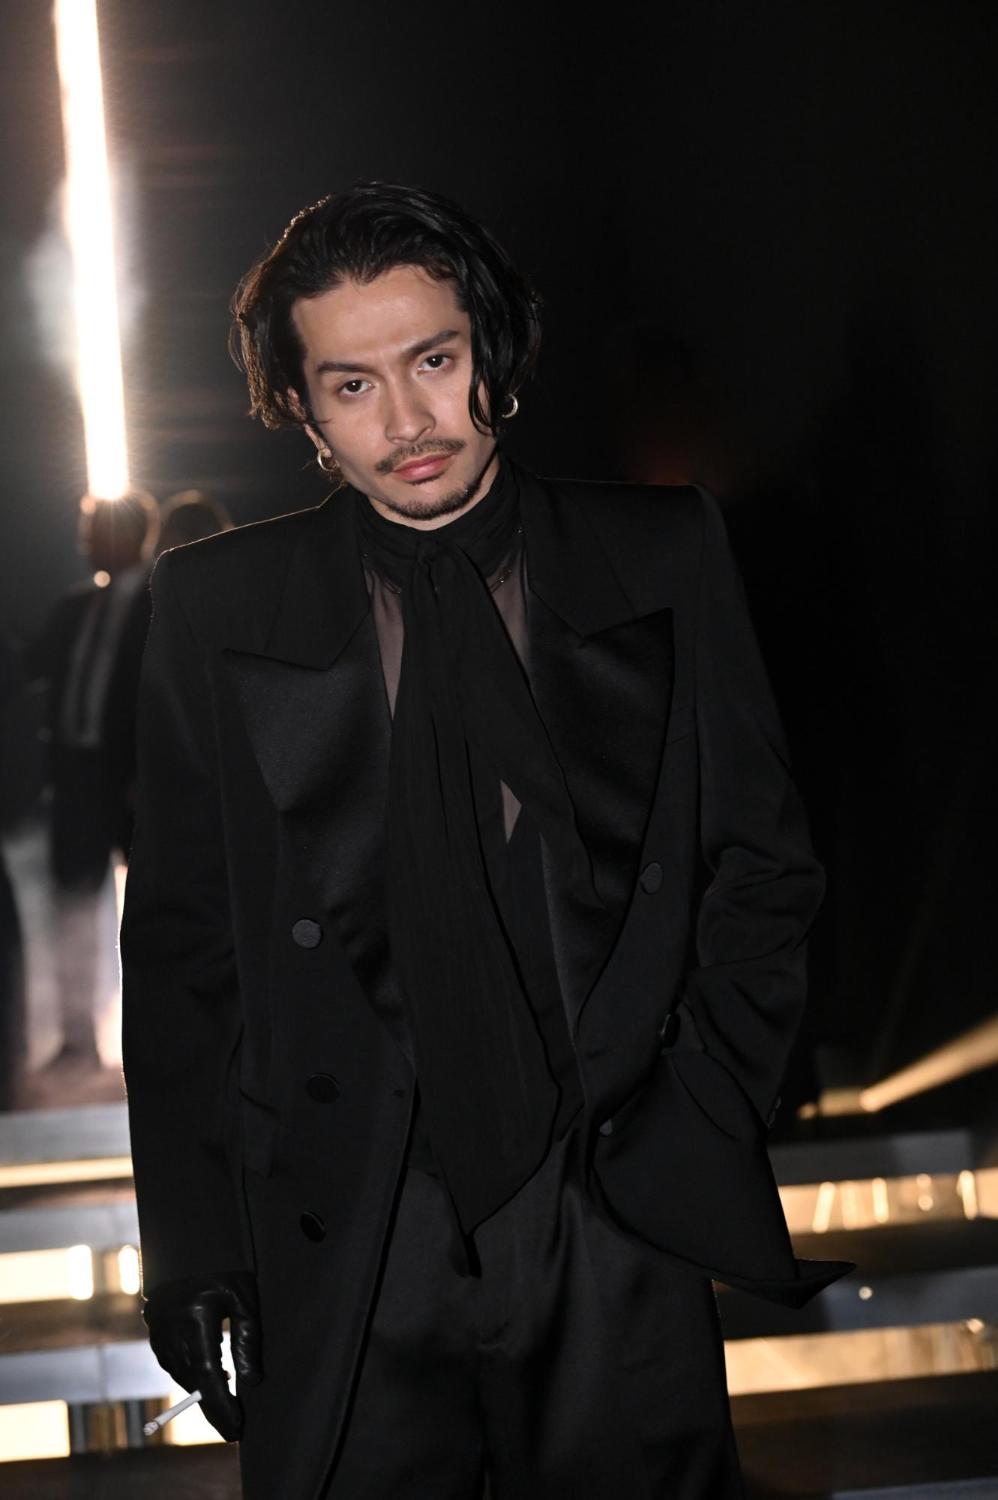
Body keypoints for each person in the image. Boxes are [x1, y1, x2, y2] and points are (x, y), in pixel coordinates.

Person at [122, 183, 849, 1499]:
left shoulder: (660, 549)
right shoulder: (214, 605)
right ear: (300, 408)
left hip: (605, 1204)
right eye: (351, 385)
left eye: (433, 361)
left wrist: (695, 1108)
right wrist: (192, 1243)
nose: (406, 421)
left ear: (490, 352)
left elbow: (761, 863)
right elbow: (181, 948)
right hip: (345, 1224)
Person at [31, 489, 158, 1070]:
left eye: (95, 532)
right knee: (74, 904)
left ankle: (153, 1030)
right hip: (77, 774)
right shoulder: (75, 607)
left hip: (131, 779)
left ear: (129, 535)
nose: (86, 545)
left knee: (154, 905)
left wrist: (146, 772)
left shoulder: (162, 602)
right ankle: (79, 1039)